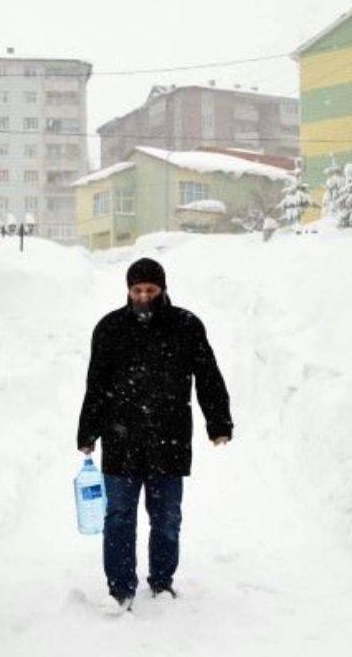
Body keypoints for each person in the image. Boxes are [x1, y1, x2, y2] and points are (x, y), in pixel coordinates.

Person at [77, 257, 233, 609]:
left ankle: (162, 583)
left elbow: (208, 376)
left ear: (163, 288)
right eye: (137, 290)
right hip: (121, 439)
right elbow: (96, 386)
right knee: (118, 517)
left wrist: (219, 423)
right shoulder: (110, 328)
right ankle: (120, 588)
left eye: (151, 289)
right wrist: (88, 431)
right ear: (128, 291)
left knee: (166, 519)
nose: (144, 296)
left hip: (169, 439)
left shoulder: (186, 326)